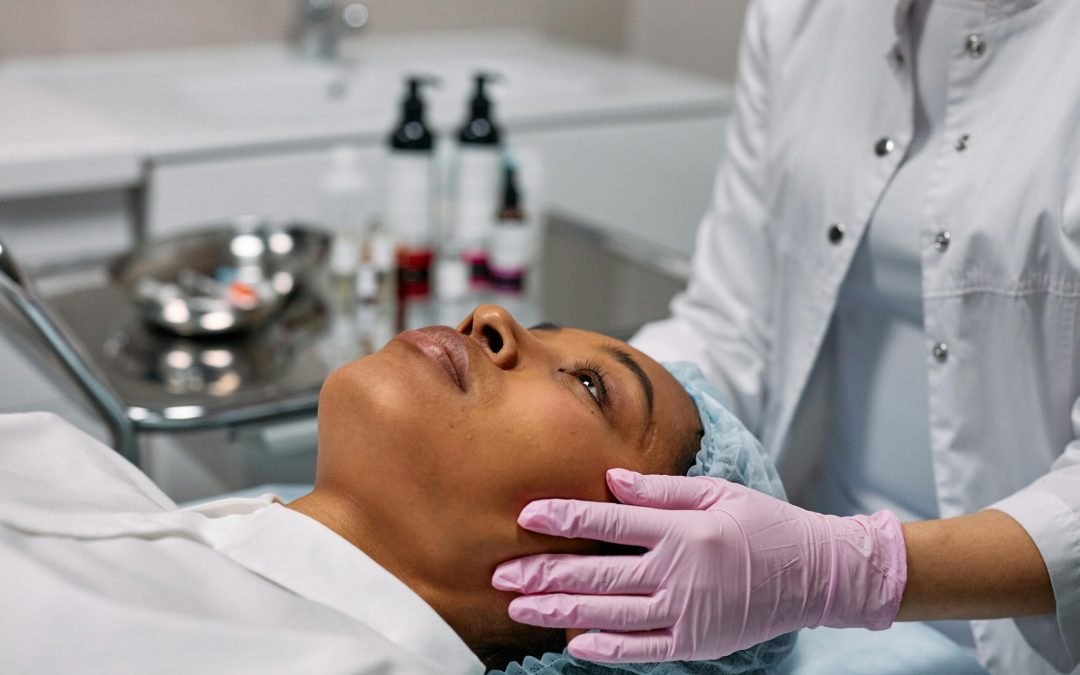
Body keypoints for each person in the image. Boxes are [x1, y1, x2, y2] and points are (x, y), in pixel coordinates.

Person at [494, 2, 1080, 675]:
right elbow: (731, 319)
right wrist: (583, 413)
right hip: (800, 600)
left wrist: (847, 569)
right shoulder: (802, 15)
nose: (493, 324)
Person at [0, 305, 723, 674]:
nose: (492, 320)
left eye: (592, 386)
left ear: (615, 591)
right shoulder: (84, 471)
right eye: (540, 328)